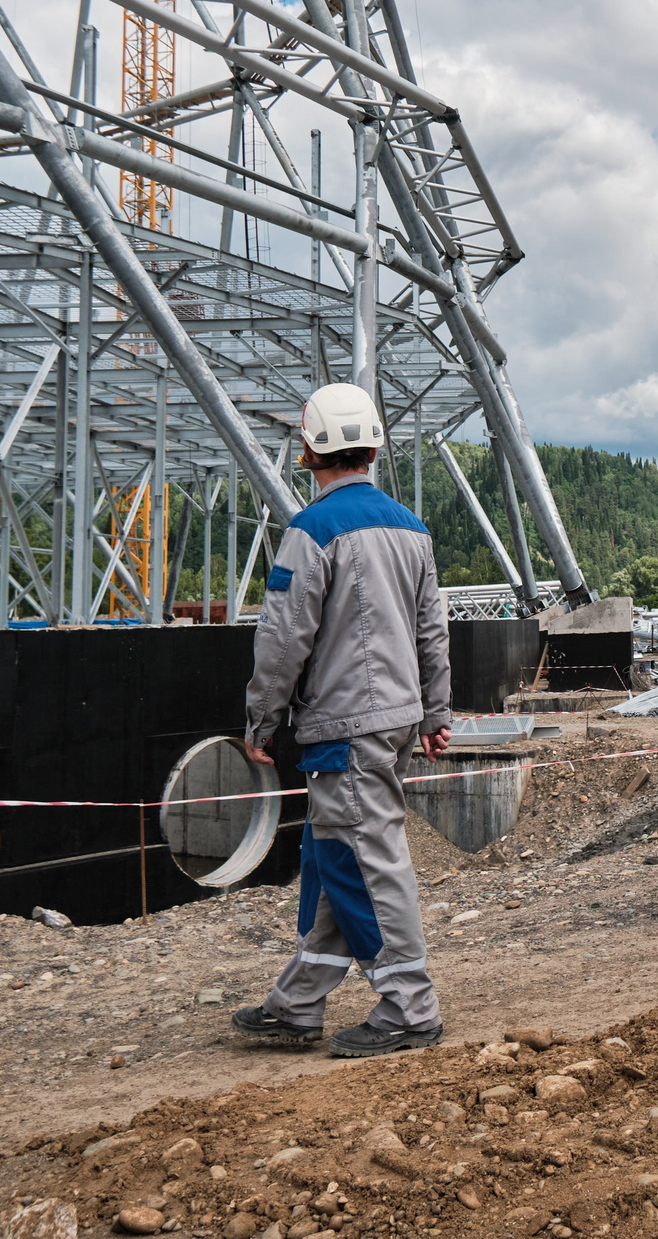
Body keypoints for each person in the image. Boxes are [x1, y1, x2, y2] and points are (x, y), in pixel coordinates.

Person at [235, 384, 451, 1057]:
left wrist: (260, 721)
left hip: (344, 726)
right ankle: (297, 1002)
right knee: (337, 855)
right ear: (374, 444)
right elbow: (432, 633)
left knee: (368, 858)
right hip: (393, 718)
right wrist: (436, 712)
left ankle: (411, 1007)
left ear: (309, 449)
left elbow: (281, 641)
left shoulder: (312, 531)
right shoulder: (410, 528)